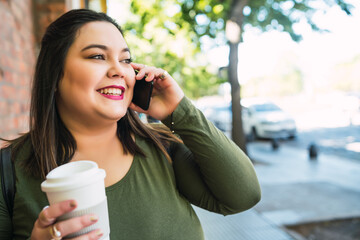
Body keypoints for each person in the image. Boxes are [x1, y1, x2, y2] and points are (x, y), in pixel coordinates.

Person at [0, 9, 261, 240]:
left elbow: (243, 195)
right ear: (55, 75)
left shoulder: (163, 147)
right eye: (98, 56)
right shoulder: (8, 172)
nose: (119, 70)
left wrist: (179, 111)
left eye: (125, 60)